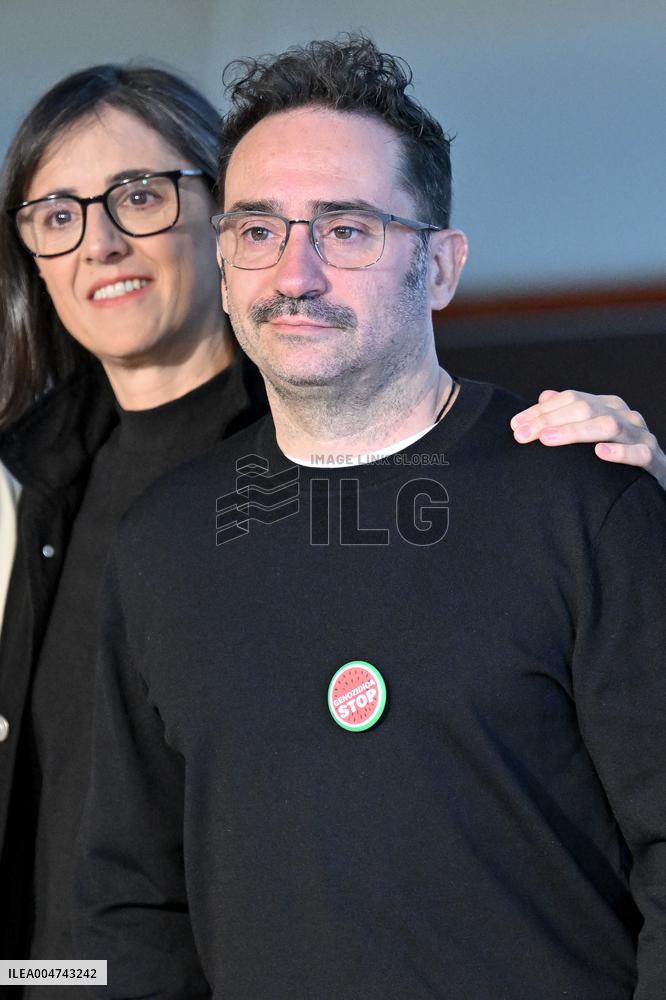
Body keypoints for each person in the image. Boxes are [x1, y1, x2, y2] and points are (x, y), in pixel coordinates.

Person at [74, 36, 666, 1000]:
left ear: (438, 267)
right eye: (258, 230)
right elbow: (130, 903)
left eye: (346, 229)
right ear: (224, 265)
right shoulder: (161, 546)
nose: (294, 272)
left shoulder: (584, 497)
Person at [0, 65, 267, 971]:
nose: (100, 243)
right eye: (58, 215)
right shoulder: (35, 487)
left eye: (139, 196)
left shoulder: (316, 465)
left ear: (225, 207)